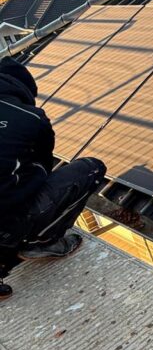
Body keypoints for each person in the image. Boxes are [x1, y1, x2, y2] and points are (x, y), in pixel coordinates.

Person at [0, 57, 106, 301]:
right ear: (24, 89)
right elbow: (44, 168)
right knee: (90, 169)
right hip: (7, 226)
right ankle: (40, 241)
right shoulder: (31, 118)